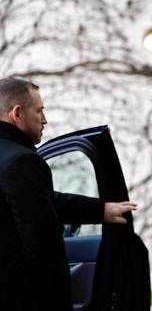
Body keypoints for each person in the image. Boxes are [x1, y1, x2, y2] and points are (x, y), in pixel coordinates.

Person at [0, 77, 138, 311]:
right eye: (39, 111)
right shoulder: (22, 160)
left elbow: (38, 200)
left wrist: (101, 210)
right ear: (18, 114)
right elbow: (42, 243)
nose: (44, 120)